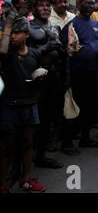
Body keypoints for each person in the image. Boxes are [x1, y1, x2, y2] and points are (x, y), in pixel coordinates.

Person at [0, 17, 47, 192]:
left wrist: (39, 77)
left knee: (27, 144)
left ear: (26, 35)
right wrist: (8, 26)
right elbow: (2, 51)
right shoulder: (7, 53)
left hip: (29, 104)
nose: (13, 36)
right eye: (11, 33)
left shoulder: (34, 54)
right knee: (6, 146)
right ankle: (3, 182)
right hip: (9, 105)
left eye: (17, 33)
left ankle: (26, 178)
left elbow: (38, 74)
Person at [60, 0, 98, 154]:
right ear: (79, 4)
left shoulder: (96, 24)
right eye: (87, 3)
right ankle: (67, 143)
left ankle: (85, 138)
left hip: (93, 74)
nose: (91, 5)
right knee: (72, 110)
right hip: (76, 75)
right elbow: (64, 50)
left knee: (89, 108)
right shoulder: (71, 24)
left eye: (93, 3)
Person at [28, 0, 65, 169]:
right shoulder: (27, 27)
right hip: (36, 79)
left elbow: (60, 51)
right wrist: (45, 48)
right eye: (41, 5)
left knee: (49, 117)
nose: (45, 8)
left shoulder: (54, 27)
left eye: (47, 5)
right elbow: (24, 53)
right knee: (34, 119)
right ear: (34, 8)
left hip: (54, 77)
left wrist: (65, 50)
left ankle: (41, 155)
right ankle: (27, 157)